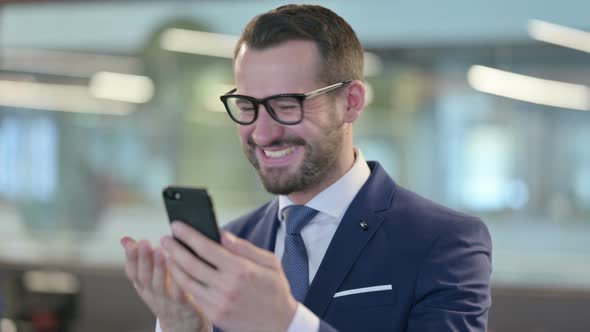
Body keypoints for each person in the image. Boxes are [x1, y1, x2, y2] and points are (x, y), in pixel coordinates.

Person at [121, 4, 492, 332]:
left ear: (351, 102)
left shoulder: (443, 243)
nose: (263, 133)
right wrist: (183, 329)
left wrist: (286, 323)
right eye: (248, 105)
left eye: (286, 105)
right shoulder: (231, 250)